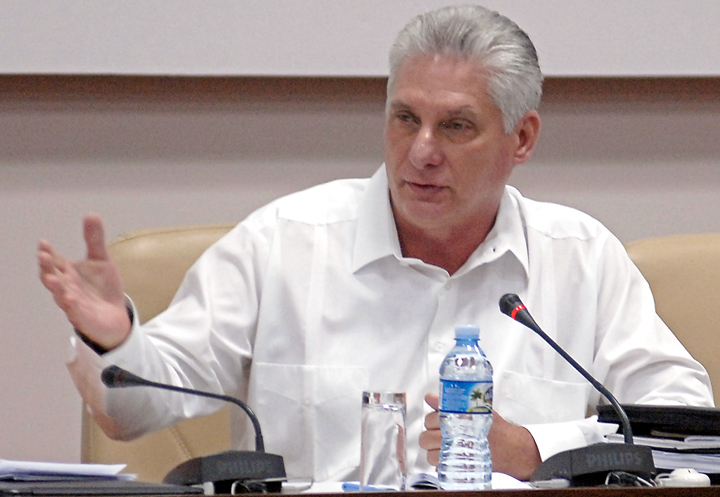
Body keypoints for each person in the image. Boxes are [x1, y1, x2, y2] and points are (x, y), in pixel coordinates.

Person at [38, 4, 712, 483]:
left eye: (455, 126)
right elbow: (132, 410)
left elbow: (686, 430)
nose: (421, 151)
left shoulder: (580, 257)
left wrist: (540, 448)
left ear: (523, 138)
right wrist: (113, 342)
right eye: (405, 118)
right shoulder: (283, 245)